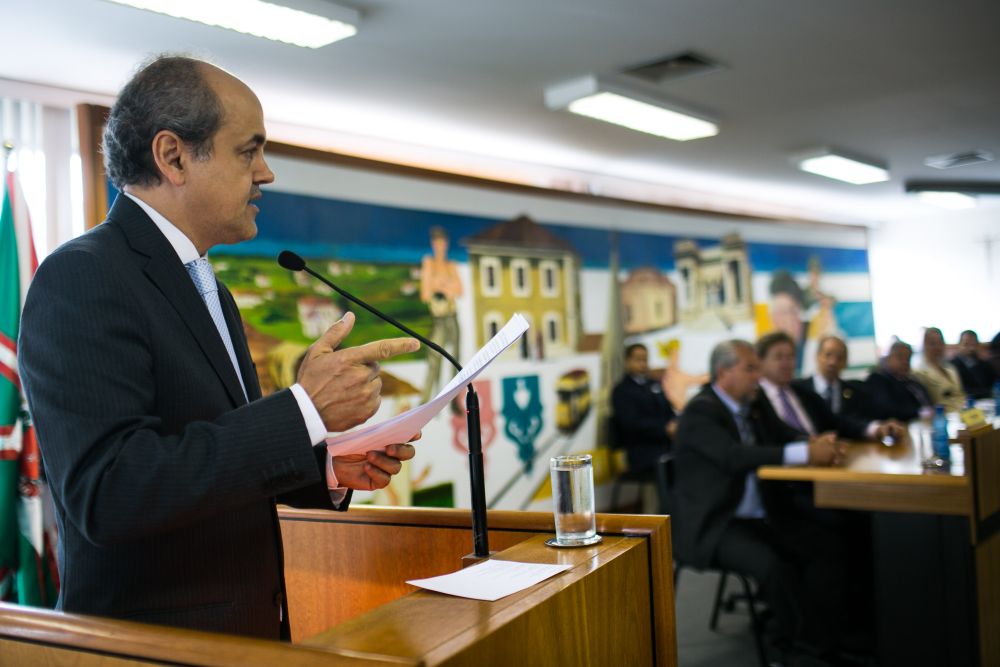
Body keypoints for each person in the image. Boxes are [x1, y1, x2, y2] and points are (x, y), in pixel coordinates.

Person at [18, 56, 421, 639]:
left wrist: (326, 462)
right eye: (247, 150)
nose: (266, 173)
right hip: (154, 647)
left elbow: (210, 459)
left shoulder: (210, 288)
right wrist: (302, 410)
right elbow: (109, 493)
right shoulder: (83, 276)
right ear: (173, 156)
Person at [673, 340, 849, 658]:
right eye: (750, 368)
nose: (758, 375)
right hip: (718, 524)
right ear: (723, 372)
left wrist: (815, 442)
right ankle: (800, 648)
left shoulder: (753, 404)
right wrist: (805, 452)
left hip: (759, 516)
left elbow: (783, 434)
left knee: (826, 545)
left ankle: (820, 634)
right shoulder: (700, 412)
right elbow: (733, 457)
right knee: (772, 565)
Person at [754, 332, 903, 445]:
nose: (787, 363)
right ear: (760, 362)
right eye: (779, 357)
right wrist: (811, 444)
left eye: (791, 356)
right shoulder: (754, 399)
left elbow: (838, 423)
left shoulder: (802, 393)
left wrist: (876, 428)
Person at [611, 343, 677, 475]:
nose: (642, 364)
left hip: (666, 445)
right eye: (638, 359)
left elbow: (668, 409)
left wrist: (675, 423)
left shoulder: (654, 384)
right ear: (627, 361)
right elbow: (631, 424)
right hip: (642, 451)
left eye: (645, 359)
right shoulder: (622, 391)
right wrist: (664, 428)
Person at [420, 226, 462, 402]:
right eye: (437, 242)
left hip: (452, 317)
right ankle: (427, 401)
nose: (440, 245)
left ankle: (454, 399)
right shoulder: (428, 263)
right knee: (434, 359)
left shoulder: (451, 265)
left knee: (455, 359)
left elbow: (459, 290)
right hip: (438, 318)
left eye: (442, 242)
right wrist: (445, 285)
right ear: (433, 244)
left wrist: (440, 285)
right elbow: (426, 294)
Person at [793, 334, 876, 419]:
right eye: (828, 355)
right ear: (817, 356)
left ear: (845, 363)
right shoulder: (798, 389)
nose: (833, 362)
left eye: (839, 357)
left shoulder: (855, 393)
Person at [865, 341, 933, 421]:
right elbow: (887, 409)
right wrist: (919, 413)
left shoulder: (912, 380)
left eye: (908, 359)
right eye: (900, 357)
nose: (905, 362)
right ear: (889, 357)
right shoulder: (878, 379)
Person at [913, 327, 966, 412]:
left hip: (963, 411)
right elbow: (928, 403)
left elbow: (961, 394)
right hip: (942, 416)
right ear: (925, 345)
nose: (938, 347)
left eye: (940, 343)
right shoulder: (919, 372)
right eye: (933, 343)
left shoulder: (951, 368)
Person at [951, 330, 996, 399]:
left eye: (973, 344)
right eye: (966, 344)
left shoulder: (984, 364)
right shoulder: (952, 366)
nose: (971, 348)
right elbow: (961, 390)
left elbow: (994, 383)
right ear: (959, 345)